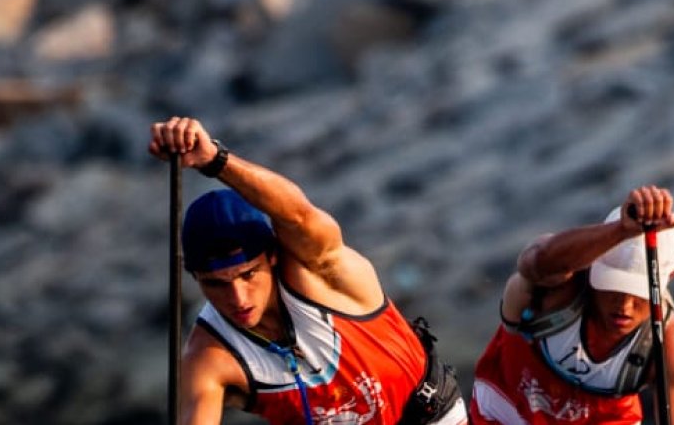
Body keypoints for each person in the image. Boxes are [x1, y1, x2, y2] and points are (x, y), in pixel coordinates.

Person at [149, 116, 466, 425]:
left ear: (272, 257)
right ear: (195, 279)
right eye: (216, 284)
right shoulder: (209, 355)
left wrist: (215, 160)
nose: (237, 297)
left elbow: (298, 215)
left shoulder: (320, 271)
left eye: (247, 274)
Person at [468, 185, 674, 425]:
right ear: (594, 265)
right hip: (508, 410)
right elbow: (534, 262)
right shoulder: (559, 288)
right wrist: (620, 231)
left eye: (637, 293)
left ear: (671, 276)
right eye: (612, 286)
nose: (624, 305)